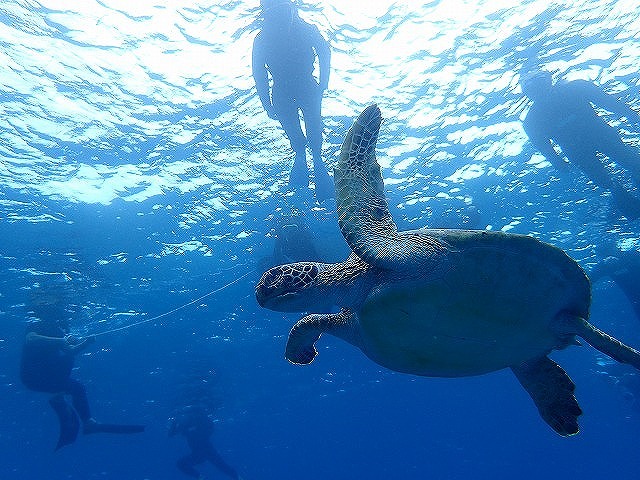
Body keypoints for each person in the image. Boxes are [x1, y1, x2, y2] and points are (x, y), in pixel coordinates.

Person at [520, 69, 640, 219]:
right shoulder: (576, 88)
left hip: (581, 148)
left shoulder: (532, 120)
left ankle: (621, 194)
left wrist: (558, 162)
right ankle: (622, 192)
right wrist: (630, 114)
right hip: (596, 138)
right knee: (623, 167)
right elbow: (609, 103)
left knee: (615, 172)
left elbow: (545, 148)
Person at [20, 311, 145, 450]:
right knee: (67, 362)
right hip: (32, 376)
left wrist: (86, 343)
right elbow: (30, 340)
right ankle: (58, 396)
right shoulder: (37, 325)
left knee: (78, 388)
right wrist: (61, 341)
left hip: (49, 378)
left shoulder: (59, 331)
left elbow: (70, 351)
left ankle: (88, 423)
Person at [252, 0, 333, 203]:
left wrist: (324, 82)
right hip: (290, 90)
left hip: (295, 89)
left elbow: (259, 74)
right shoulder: (264, 38)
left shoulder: (300, 30)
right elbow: (258, 73)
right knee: (302, 136)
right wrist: (323, 82)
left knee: (311, 133)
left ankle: (312, 157)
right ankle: (307, 156)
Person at [169, 406, 243, 480]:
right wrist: (175, 421)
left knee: (223, 467)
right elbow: (171, 434)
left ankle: (237, 477)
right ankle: (201, 477)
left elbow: (209, 430)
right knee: (181, 464)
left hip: (208, 451)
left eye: (193, 413)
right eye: (189, 414)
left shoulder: (202, 421)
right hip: (198, 453)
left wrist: (191, 431)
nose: (191, 415)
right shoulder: (186, 424)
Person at [590, 248, 640, 323]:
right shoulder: (605, 266)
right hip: (635, 299)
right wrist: (603, 264)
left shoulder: (631, 255)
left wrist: (622, 260)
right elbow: (589, 279)